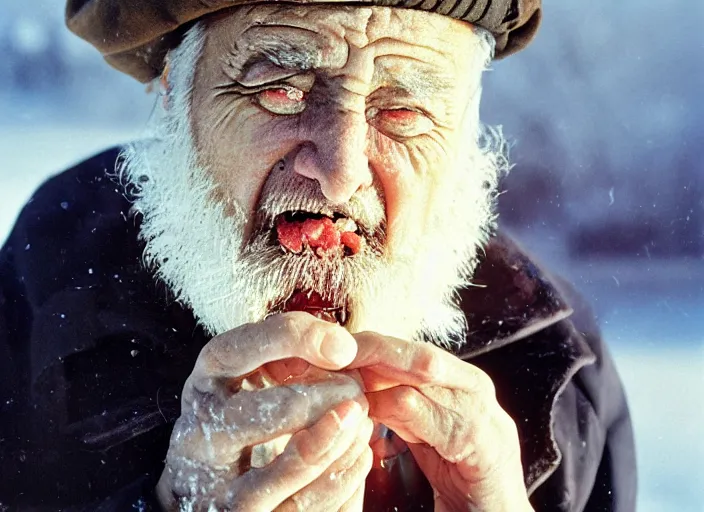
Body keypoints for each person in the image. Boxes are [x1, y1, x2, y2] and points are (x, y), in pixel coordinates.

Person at [0, 0, 636, 510]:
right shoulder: (38, 298)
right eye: (282, 88)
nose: (341, 172)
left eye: (406, 110)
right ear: (175, 95)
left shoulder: (556, 359)